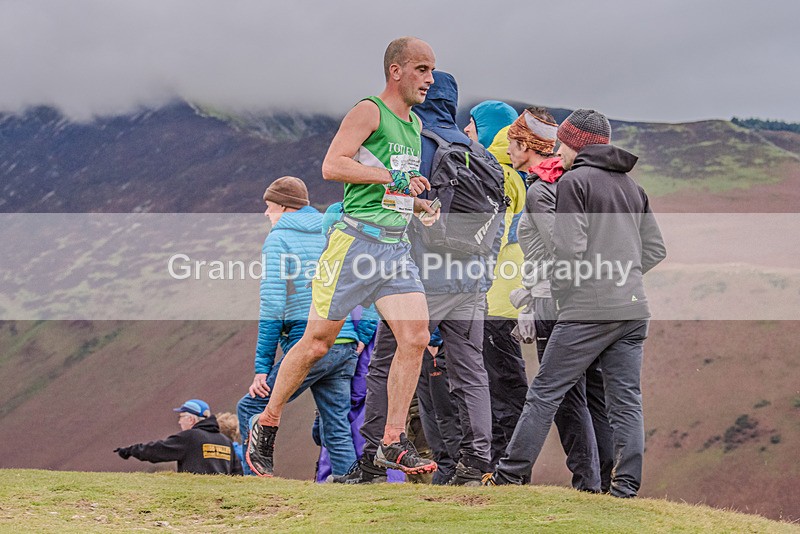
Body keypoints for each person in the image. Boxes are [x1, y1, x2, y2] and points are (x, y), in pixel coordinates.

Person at [246, 36, 440, 478]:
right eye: (422, 69)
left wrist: (417, 204)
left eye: (431, 70)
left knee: (416, 336)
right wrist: (391, 176)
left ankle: (393, 441)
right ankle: (268, 421)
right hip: (353, 244)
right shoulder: (369, 110)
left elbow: (389, 193)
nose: (429, 79)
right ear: (396, 70)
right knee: (318, 343)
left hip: (394, 246)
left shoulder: (413, 123)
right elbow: (333, 166)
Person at [485, 110, 667, 498]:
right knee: (625, 402)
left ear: (575, 144)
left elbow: (568, 249)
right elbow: (655, 249)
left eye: (563, 144)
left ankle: (509, 475)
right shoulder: (633, 188)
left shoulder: (574, 183)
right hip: (633, 309)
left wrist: (568, 292)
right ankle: (625, 489)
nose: (559, 152)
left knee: (545, 391)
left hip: (587, 307)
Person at [237, 178, 377, 477]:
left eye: (270, 206)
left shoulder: (279, 238)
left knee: (251, 407)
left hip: (309, 343)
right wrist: (362, 334)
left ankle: (254, 482)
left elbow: (273, 305)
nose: (266, 214)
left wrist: (262, 366)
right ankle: (348, 488)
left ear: (285, 207)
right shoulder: (332, 231)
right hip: (344, 345)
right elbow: (369, 286)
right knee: (335, 425)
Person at [507, 106, 605, 491]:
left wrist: (539, 294)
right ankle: (603, 479)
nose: (508, 151)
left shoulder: (543, 189)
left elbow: (560, 247)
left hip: (555, 299)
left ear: (524, 146)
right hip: (581, 299)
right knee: (591, 395)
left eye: (512, 144)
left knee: (565, 398)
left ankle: (588, 482)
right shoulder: (570, 182)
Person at [465, 100, 530, 469]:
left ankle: (502, 470)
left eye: (473, 125)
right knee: (500, 385)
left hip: (494, 299)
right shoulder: (515, 171)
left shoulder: (500, 175)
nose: (468, 132)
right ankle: (500, 467)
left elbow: (494, 237)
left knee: (503, 389)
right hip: (507, 298)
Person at [114, 399, 242, 475]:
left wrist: (130, 450)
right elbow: (237, 473)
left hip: (195, 496)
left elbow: (157, 450)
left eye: (181, 417)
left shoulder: (191, 437)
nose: (179, 422)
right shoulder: (225, 441)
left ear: (191, 419)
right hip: (222, 499)